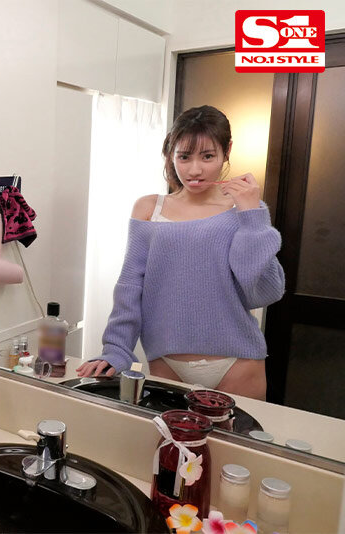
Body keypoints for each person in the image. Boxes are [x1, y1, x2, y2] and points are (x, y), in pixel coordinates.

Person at [76, 105, 285, 400]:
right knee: (166, 432)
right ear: (170, 154)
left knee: (236, 434)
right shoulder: (149, 208)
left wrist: (252, 217)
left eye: (207, 156)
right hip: (167, 361)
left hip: (238, 361)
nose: (194, 170)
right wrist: (116, 349)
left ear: (227, 151)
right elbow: (131, 285)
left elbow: (265, 292)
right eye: (184, 157)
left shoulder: (245, 210)